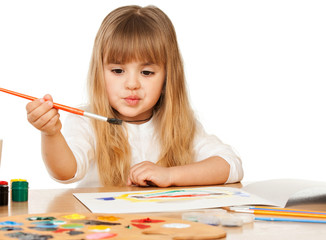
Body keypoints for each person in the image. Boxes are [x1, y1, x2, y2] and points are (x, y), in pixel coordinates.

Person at [26, 5, 243, 188]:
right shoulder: (87, 121)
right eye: (118, 71)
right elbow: (66, 173)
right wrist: (51, 133)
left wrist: (170, 176)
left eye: (147, 73)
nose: (132, 84)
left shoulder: (180, 124)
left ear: (168, 77)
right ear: (99, 72)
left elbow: (231, 165)